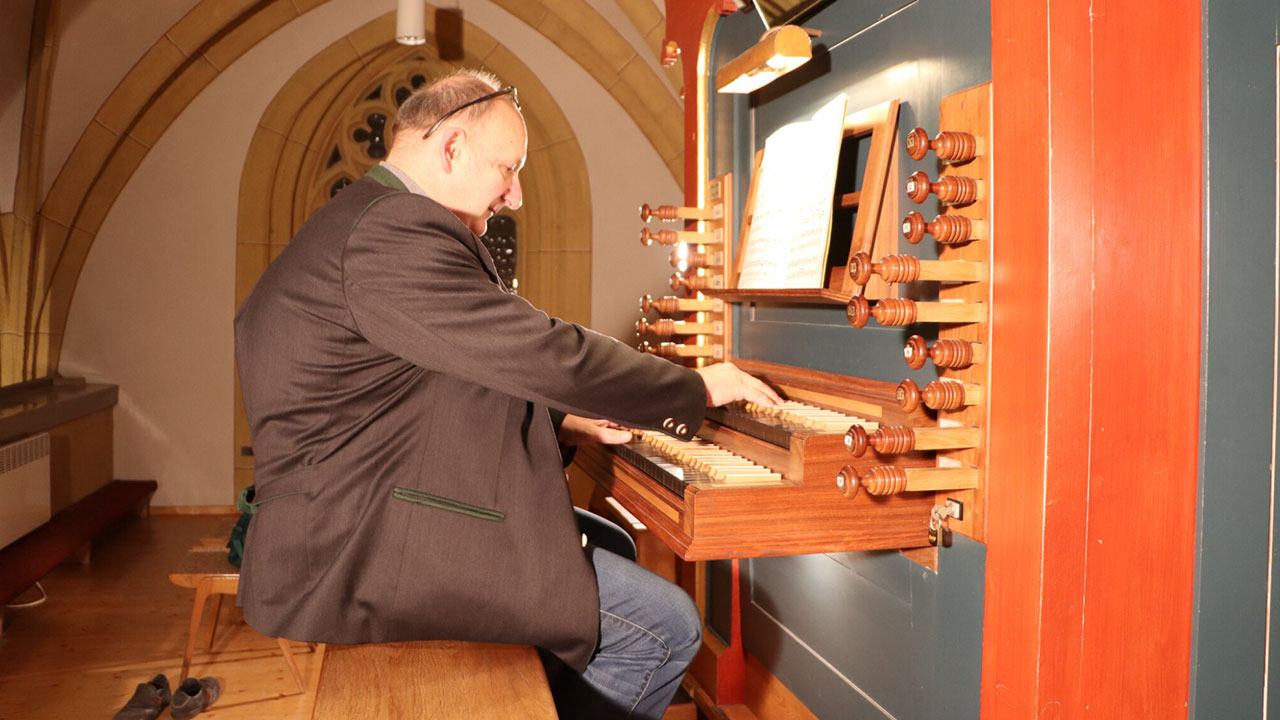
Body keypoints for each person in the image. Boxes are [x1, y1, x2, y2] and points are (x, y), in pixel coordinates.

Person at [233, 68, 780, 719]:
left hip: (350, 516)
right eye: (508, 168)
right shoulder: (391, 232)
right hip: (355, 546)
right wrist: (693, 386)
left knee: (612, 545)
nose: (515, 195)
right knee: (667, 627)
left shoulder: (362, 221)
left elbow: (424, 384)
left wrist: (561, 422)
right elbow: (538, 350)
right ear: (452, 148)